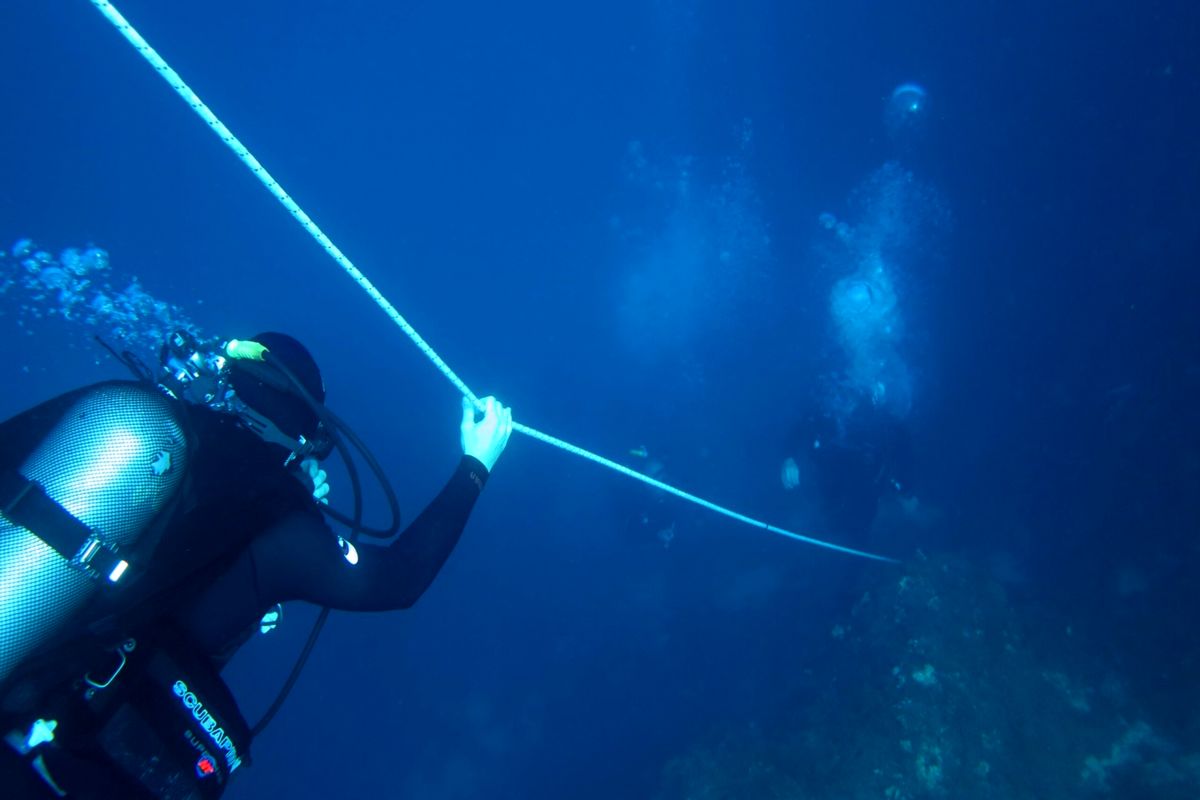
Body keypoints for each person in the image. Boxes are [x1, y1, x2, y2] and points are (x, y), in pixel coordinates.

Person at [0, 331, 512, 798]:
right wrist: (476, 464)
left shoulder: (142, 434)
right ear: (303, 426)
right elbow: (400, 580)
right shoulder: (279, 520)